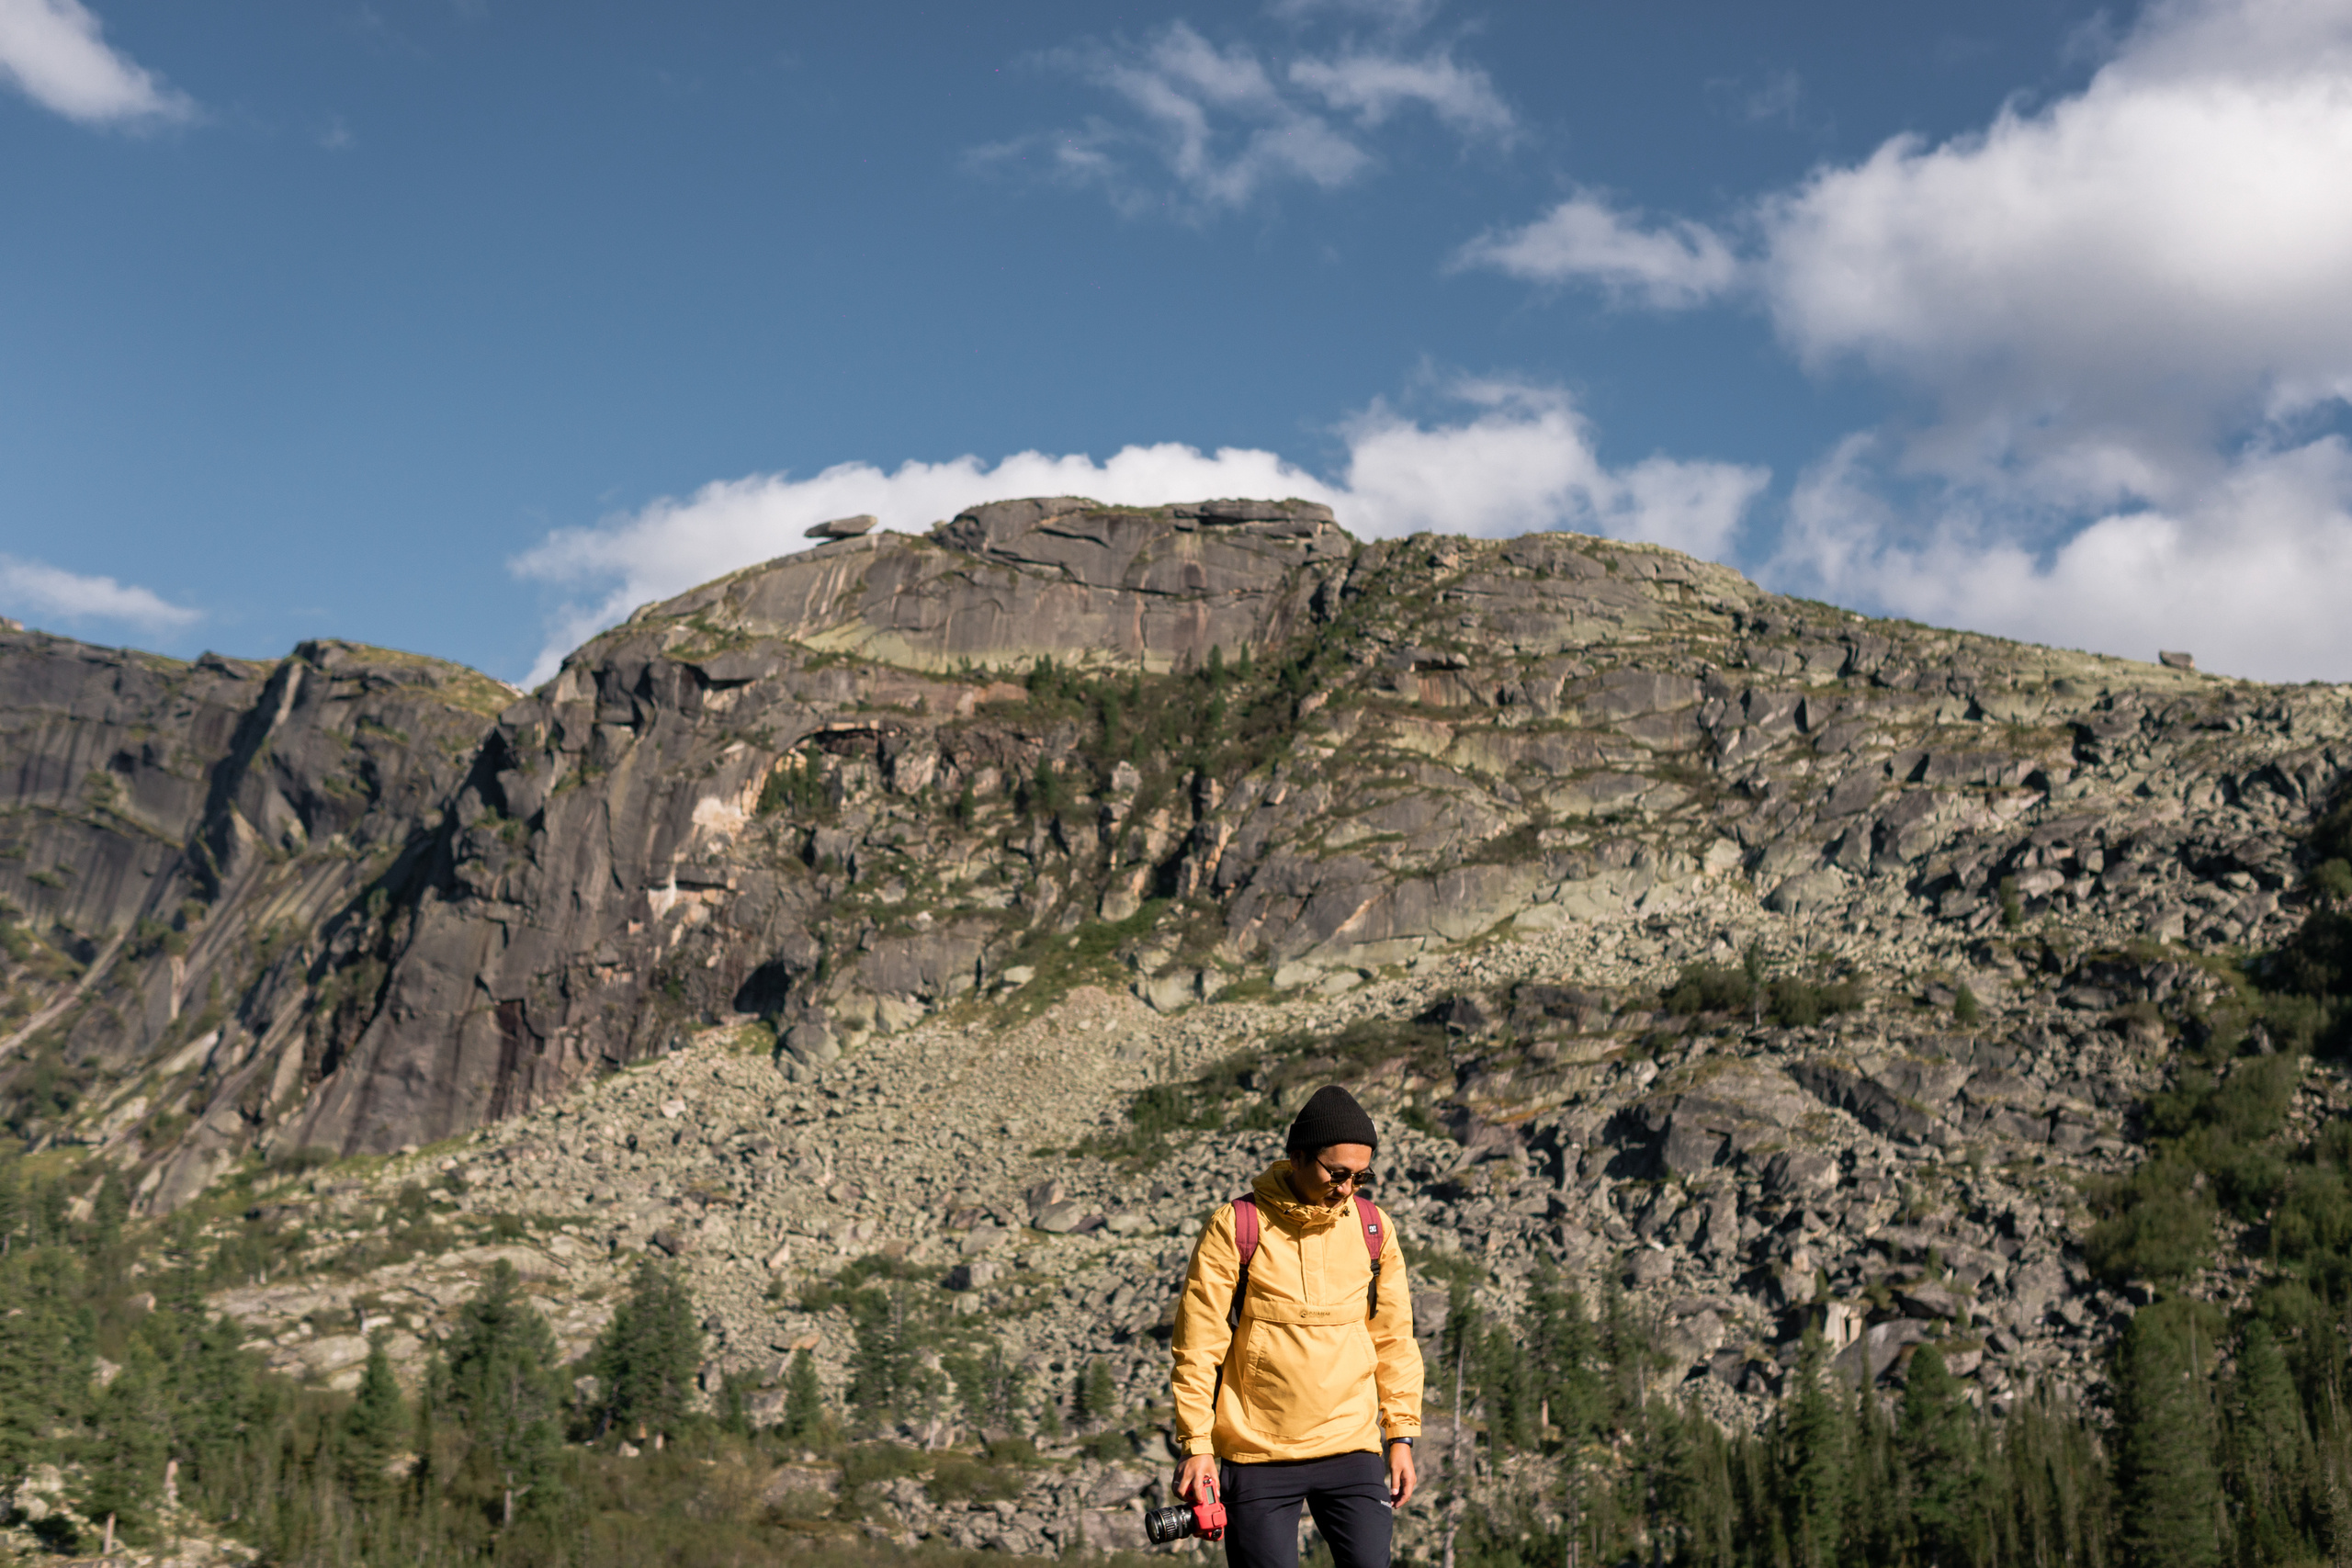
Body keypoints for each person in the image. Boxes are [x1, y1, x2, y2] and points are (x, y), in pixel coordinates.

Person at [1169, 1084, 1423, 1568]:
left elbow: (1394, 1340)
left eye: (1361, 1177)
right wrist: (1197, 1445)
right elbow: (1199, 1345)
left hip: (1353, 1446)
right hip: (1257, 1454)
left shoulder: (1374, 1228)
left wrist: (1401, 1437)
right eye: (1338, 1173)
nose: (1347, 1188)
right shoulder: (1235, 1226)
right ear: (1298, 1156)